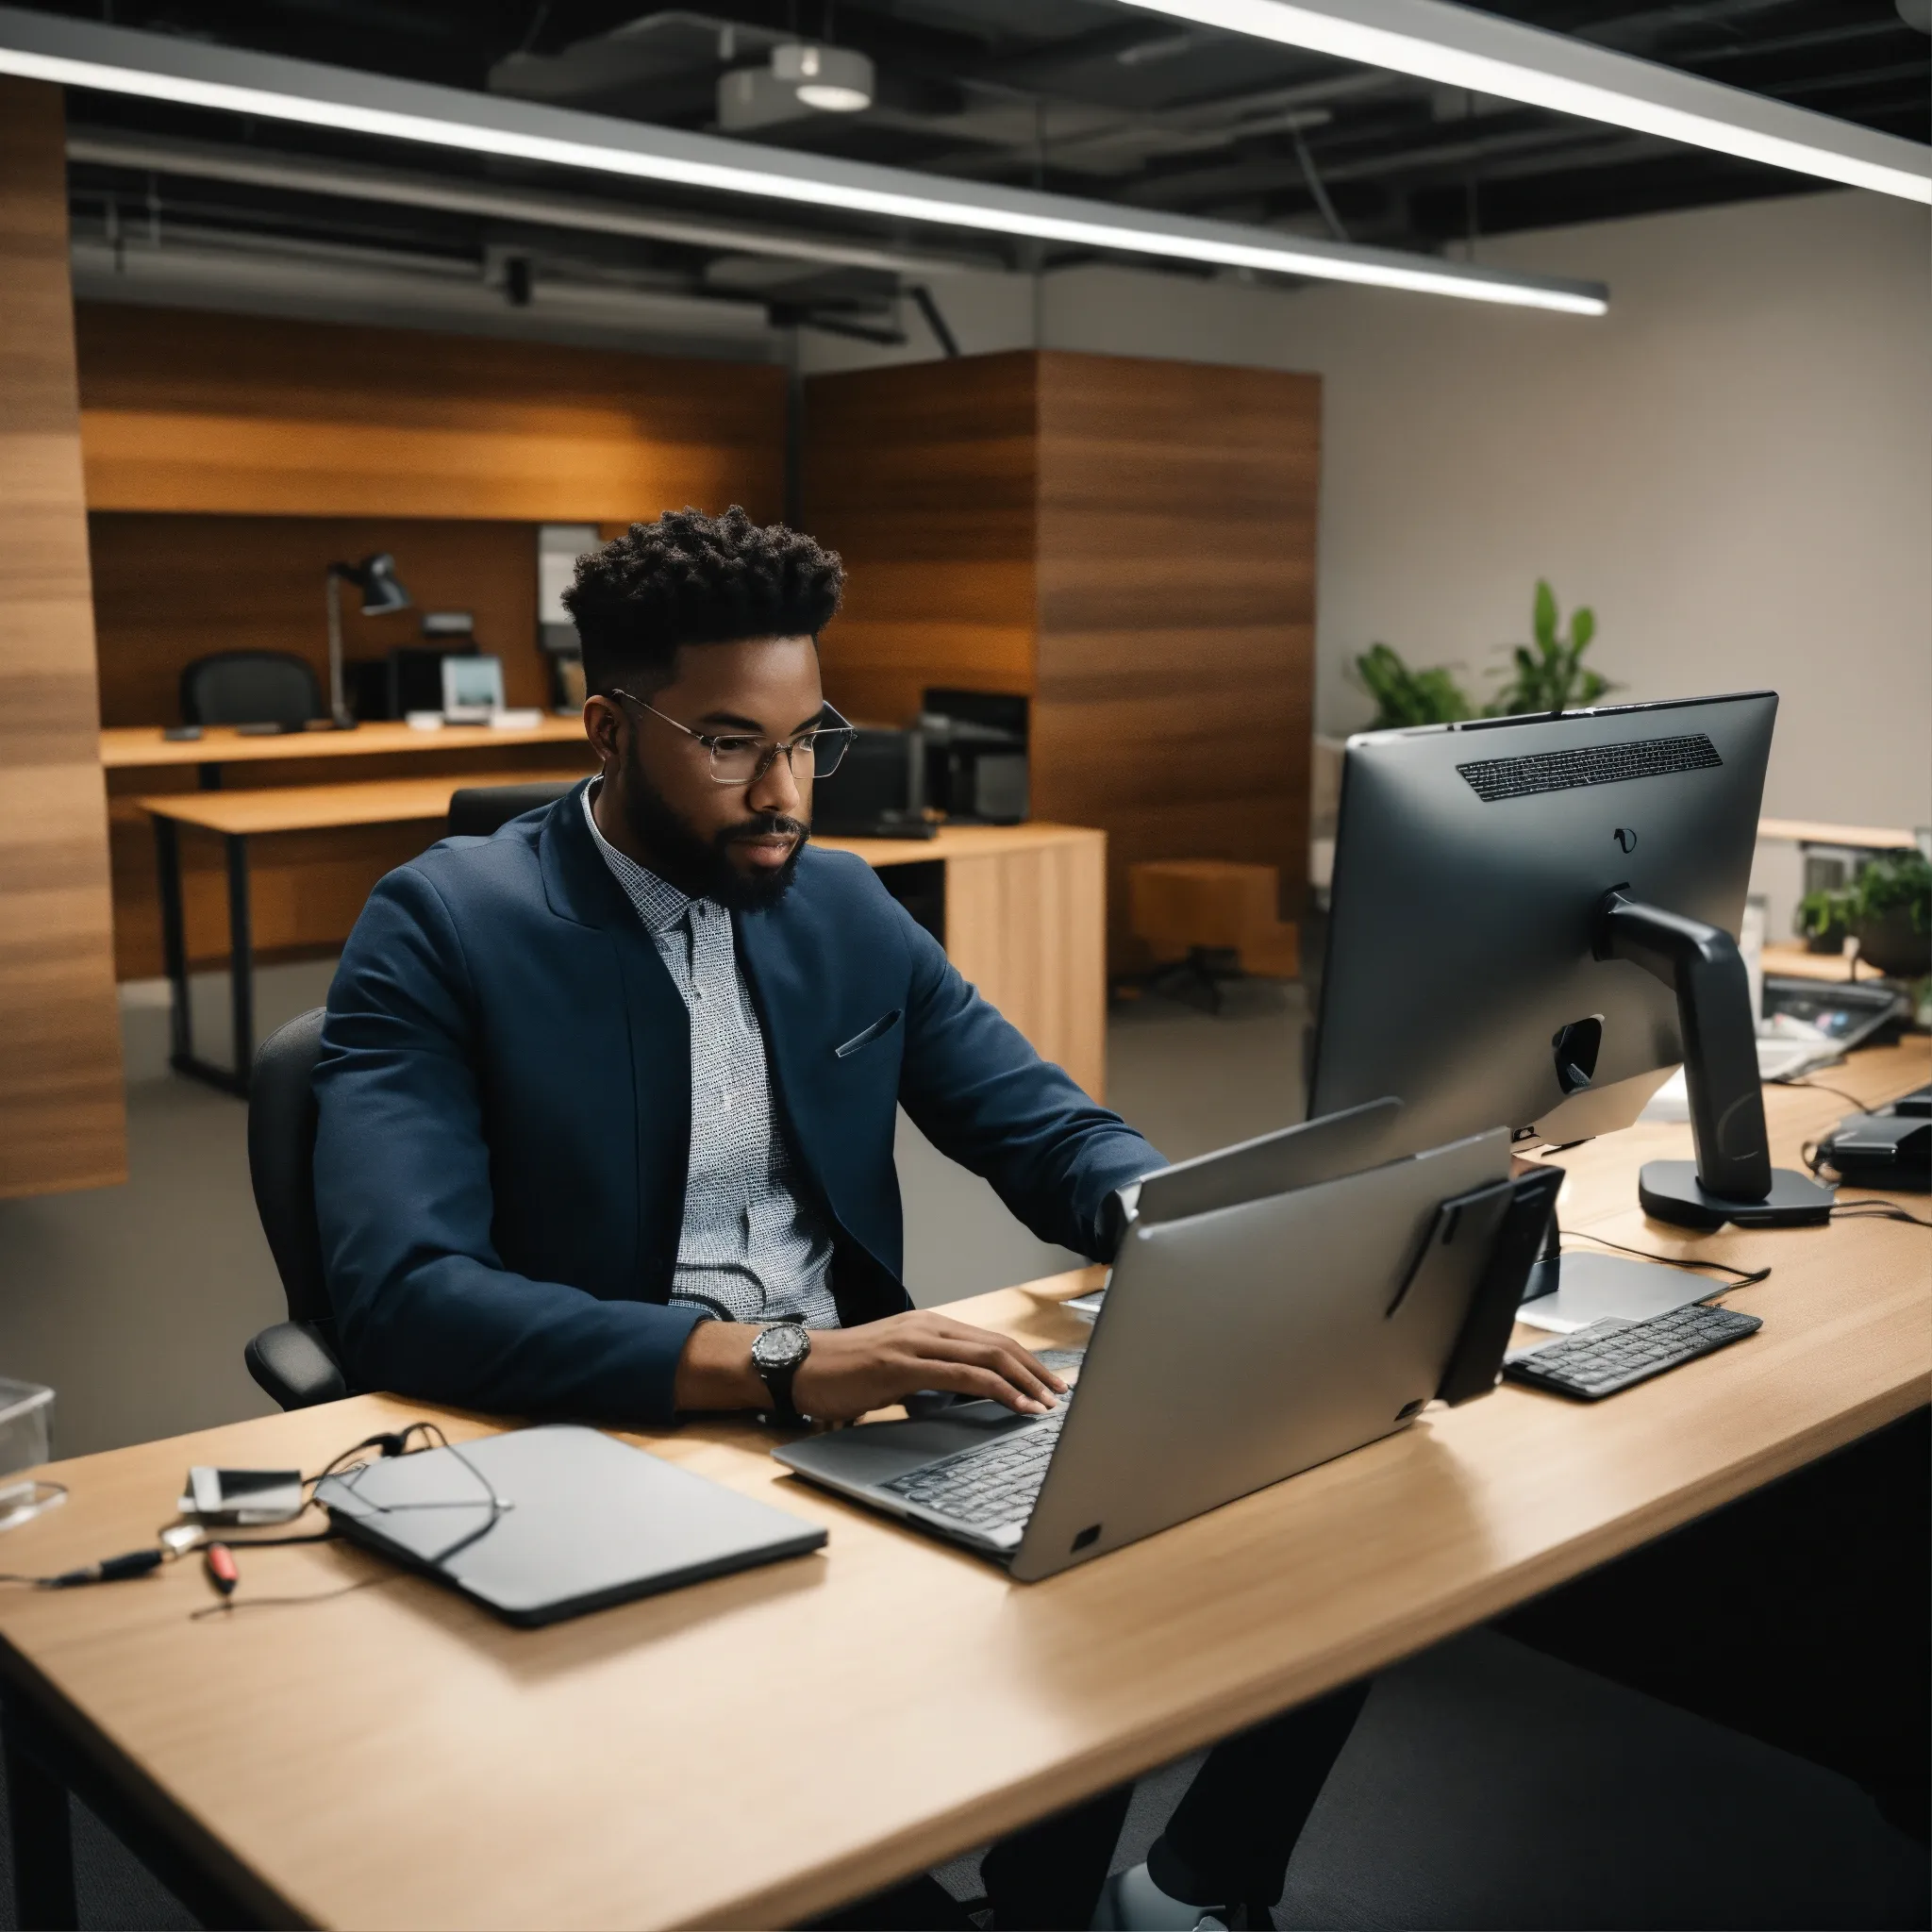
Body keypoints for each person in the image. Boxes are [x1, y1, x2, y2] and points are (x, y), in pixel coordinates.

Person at [314, 506, 1365, 1931]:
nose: (784, 793)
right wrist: (779, 1362)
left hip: (861, 1412)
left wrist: (1175, 1228)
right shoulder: (442, 926)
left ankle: (1149, 1898)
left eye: (808, 740)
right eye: (729, 744)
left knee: (1315, 1537)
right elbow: (404, 1293)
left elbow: (1046, 1126)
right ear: (607, 731)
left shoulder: (843, 905)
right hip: (626, 1433)